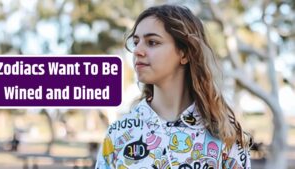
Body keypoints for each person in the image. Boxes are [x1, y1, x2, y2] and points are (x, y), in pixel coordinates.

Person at [95, 4, 251, 169]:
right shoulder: (119, 134)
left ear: (184, 53)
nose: (137, 51)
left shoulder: (224, 135)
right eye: (136, 42)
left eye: (152, 42)